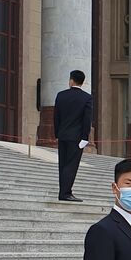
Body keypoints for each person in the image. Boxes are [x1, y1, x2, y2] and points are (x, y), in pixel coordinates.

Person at [52, 69, 93, 202]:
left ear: (71, 81)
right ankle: (65, 193)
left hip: (63, 135)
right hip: (76, 138)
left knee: (63, 165)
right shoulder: (86, 98)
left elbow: (56, 116)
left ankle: (63, 192)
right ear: (82, 82)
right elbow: (87, 119)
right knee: (71, 165)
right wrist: (85, 137)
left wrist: (57, 133)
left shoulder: (60, 95)